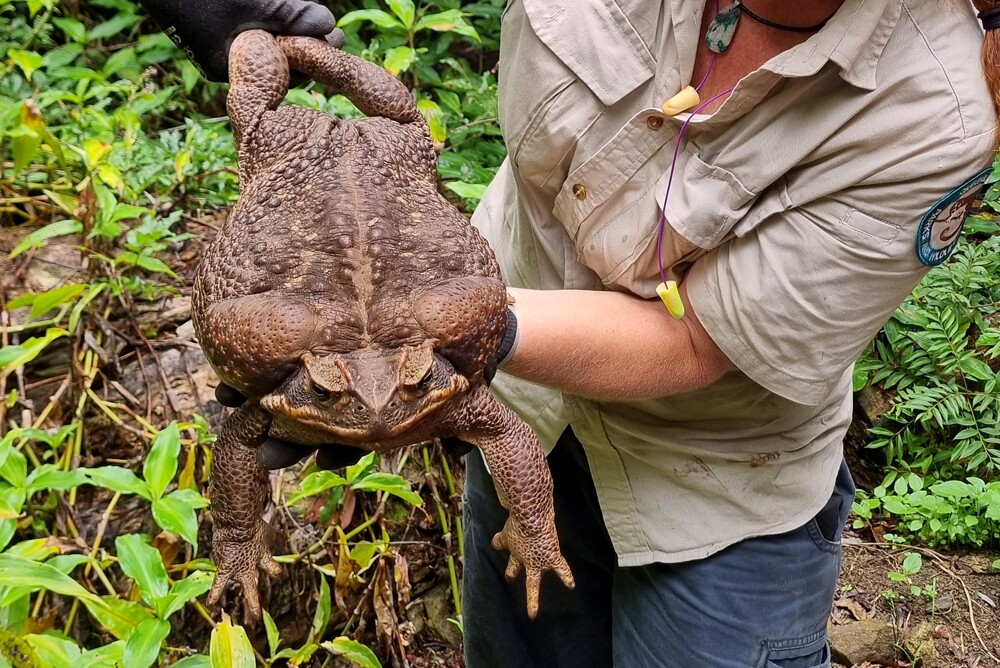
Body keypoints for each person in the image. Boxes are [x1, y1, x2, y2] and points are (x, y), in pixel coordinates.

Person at [146, 1, 997, 666]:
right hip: (513, 400)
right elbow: (395, 123)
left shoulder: (934, 113)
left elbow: (698, 341)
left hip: (713, 483)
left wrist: (450, 342)